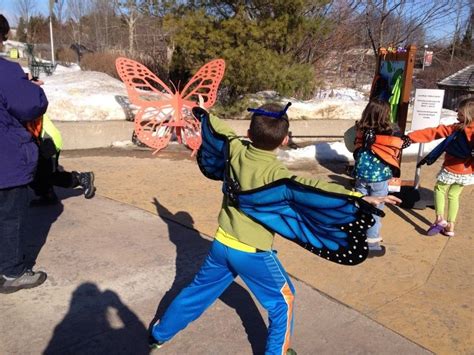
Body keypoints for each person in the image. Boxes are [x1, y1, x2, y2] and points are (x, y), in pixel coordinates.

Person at [149, 102, 400, 354]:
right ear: (284, 140)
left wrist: (203, 113)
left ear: (248, 133)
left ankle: (159, 334)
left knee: (196, 292)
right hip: (252, 253)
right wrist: (359, 196)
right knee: (283, 300)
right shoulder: (277, 174)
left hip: (221, 244)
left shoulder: (235, 149)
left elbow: (219, 130)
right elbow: (312, 188)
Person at [0, 14, 48, 293]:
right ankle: (11, 272)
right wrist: (32, 88)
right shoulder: (6, 71)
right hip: (6, 160)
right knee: (10, 216)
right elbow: (30, 106)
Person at [408, 97, 473, 237]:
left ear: (468, 115)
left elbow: (433, 132)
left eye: (460, 114)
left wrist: (411, 137)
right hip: (468, 171)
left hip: (452, 167)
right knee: (454, 195)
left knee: (439, 189)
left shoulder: (456, 128)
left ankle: (439, 219)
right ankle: (451, 225)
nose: (457, 115)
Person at [352, 99, 407, 257]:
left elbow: (353, 145)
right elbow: (400, 143)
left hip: (361, 175)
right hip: (380, 178)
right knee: (375, 211)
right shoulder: (390, 131)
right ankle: (373, 244)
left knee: (361, 206)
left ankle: (359, 237)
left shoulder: (360, 128)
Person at [29, 114, 96, 205]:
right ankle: (47, 195)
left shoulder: (22, 102)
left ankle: (81, 178)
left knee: (43, 173)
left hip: (48, 140)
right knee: (39, 173)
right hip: (40, 140)